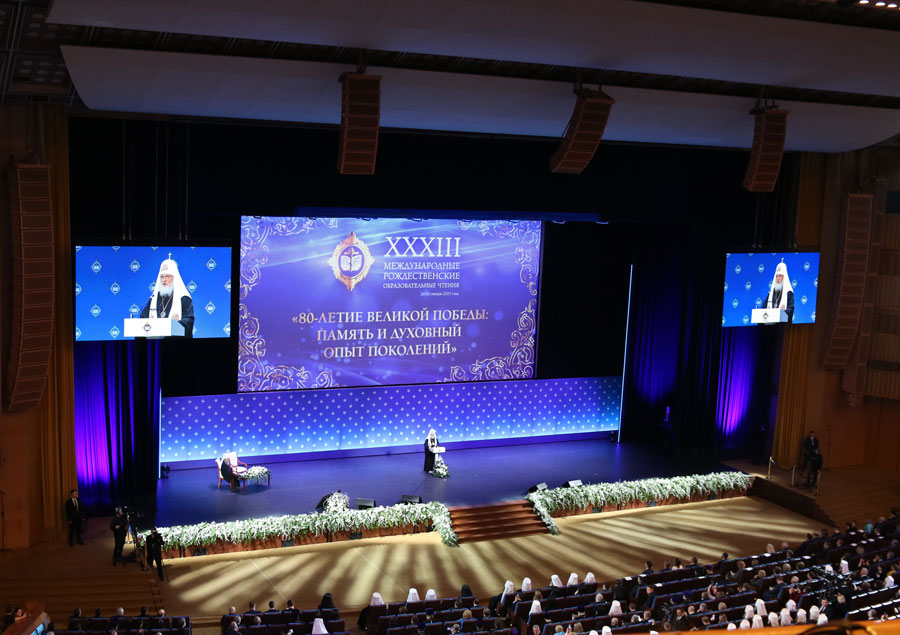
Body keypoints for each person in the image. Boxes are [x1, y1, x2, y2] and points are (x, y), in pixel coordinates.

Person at [139, 257, 195, 338]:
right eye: (162, 277)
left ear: (174, 278)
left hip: (176, 342)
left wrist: (171, 326)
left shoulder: (183, 298)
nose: (164, 280)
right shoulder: (153, 299)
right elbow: (142, 321)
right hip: (155, 343)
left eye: (167, 276)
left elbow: (188, 322)